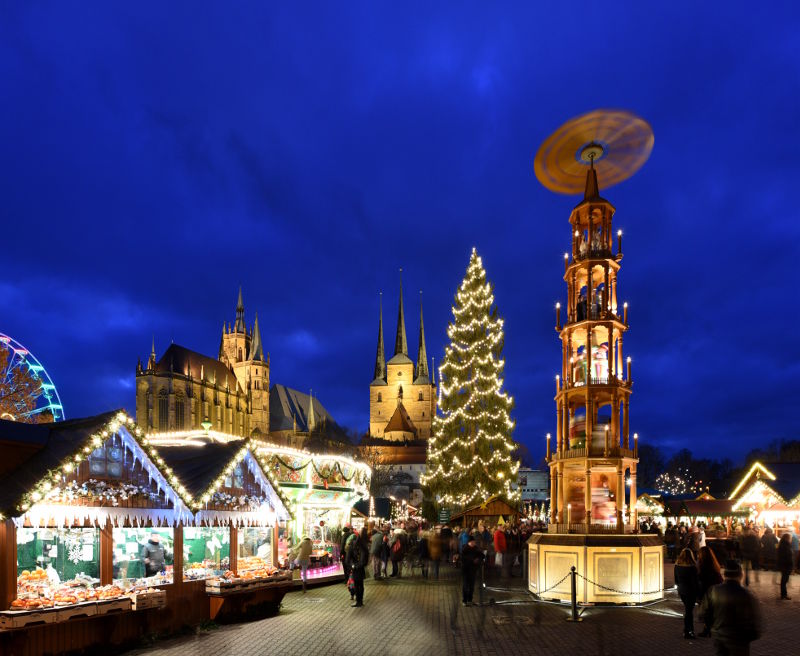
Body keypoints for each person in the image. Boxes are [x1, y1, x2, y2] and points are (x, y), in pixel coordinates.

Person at [700, 559, 763, 656]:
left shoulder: (714, 591)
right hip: (739, 641)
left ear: (724, 575)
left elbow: (703, 614)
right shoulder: (746, 595)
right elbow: (754, 623)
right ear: (740, 575)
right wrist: (748, 637)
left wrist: (713, 627)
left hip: (720, 637)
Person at [697, 546, 723, 637]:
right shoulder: (714, 564)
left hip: (706, 592)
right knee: (711, 611)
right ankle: (709, 629)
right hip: (715, 591)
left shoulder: (703, 566)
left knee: (706, 612)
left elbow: (702, 581)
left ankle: (707, 630)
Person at [674, 548, 699, 639]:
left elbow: (676, 580)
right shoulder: (693, 567)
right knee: (689, 611)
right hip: (691, 591)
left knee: (688, 610)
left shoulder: (677, 566)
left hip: (682, 591)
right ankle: (688, 631)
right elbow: (695, 581)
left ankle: (687, 630)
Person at [345, 528, 369, 607]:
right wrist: (355, 565)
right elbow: (349, 559)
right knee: (359, 585)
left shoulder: (356, 546)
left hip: (357, 568)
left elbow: (349, 559)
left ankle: (359, 601)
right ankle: (359, 601)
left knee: (358, 585)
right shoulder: (361, 546)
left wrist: (354, 565)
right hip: (357, 568)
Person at [460, 533, 485, 606]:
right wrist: (472, 560)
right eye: (472, 542)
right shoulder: (465, 549)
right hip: (466, 570)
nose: (473, 543)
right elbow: (463, 558)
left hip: (473, 570)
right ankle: (464, 600)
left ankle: (470, 599)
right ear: (468, 542)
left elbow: (482, 555)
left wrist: (478, 559)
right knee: (465, 586)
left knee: (471, 586)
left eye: (474, 542)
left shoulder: (476, 548)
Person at [777, 532, 793, 600]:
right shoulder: (786, 546)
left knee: (784, 580)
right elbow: (788, 557)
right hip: (786, 565)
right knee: (784, 580)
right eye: (790, 538)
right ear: (787, 538)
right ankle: (784, 595)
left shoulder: (782, 545)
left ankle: (783, 594)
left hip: (783, 565)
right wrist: (791, 566)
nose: (791, 539)